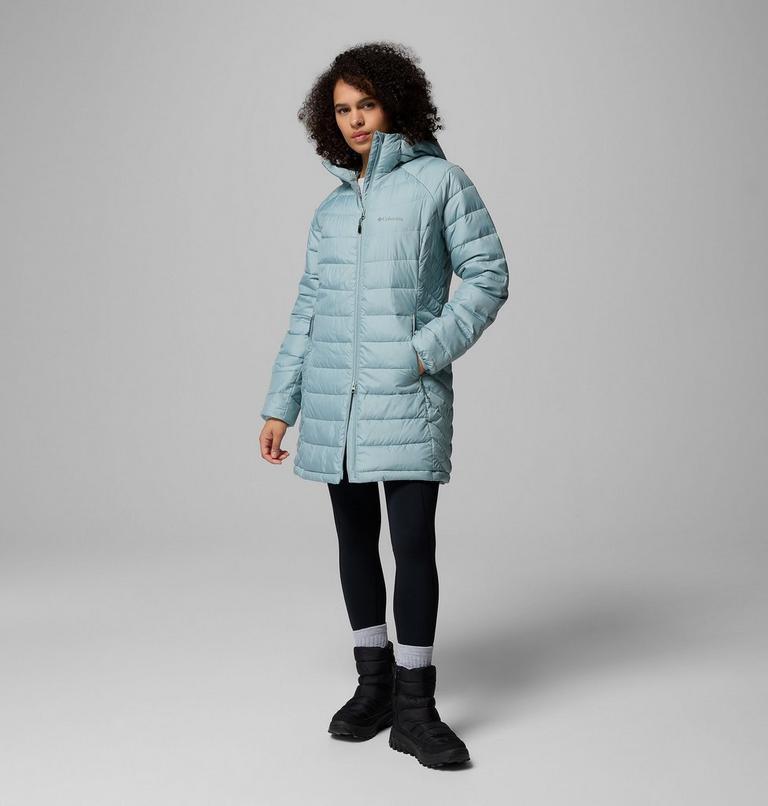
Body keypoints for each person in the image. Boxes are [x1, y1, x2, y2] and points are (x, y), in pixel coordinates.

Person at [259, 42, 509, 768]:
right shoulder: (332, 210)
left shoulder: (441, 182)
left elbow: (488, 275)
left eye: (366, 104)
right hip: (333, 402)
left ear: (395, 103)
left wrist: (422, 353)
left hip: (405, 395)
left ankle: (415, 708)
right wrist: (281, 404)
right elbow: (308, 311)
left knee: (413, 544)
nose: (356, 120)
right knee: (353, 540)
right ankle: (372, 689)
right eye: (342, 109)